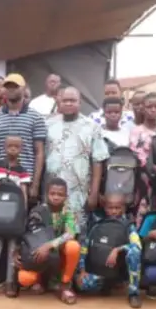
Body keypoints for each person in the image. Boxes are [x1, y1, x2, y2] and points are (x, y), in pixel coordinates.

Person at [43, 86, 107, 232]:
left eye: (73, 100)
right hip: (52, 192)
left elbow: (98, 161)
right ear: (59, 102)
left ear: (80, 102)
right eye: (65, 100)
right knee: (51, 232)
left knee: (75, 237)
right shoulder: (48, 124)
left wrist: (94, 193)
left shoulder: (92, 127)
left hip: (79, 194)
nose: (69, 104)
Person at [18, 177, 81, 303]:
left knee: (73, 246)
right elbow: (29, 235)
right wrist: (18, 252)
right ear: (46, 194)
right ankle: (40, 280)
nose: (56, 197)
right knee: (24, 278)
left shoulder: (68, 212)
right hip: (40, 254)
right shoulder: (38, 211)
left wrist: (49, 245)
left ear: (66, 196)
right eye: (52, 194)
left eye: (60, 194)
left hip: (58, 254)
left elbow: (70, 234)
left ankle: (64, 284)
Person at [75, 193, 143, 309]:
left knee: (134, 253)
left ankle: (133, 293)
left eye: (117, 208)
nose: (114, 211)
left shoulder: (128, 226)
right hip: (100, 270)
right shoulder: (97, 225)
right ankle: (106, 284)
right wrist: (82, 270)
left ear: (124, 208)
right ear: (105, 208)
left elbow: (137, 246)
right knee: (83, 285)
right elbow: (85, 247)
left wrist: (118, 249)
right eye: (110, 208)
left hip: (120, 270)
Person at [0, 74, 47, 201]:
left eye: (15, 86)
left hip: (25, 181)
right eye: (8, 87)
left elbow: (39, 153)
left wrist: (35, 185)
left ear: (24, 89)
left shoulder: (36, 117)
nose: (11, 89)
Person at [0, 136, 32, 298]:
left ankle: (10, 282)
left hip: (14, 215)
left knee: (13, 250)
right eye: (10, 146)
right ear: (4, 147)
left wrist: (23, 213)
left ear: (21, 149)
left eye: (16, 147)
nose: (13, 149)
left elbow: (24, 192)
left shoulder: (23, 171)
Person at [128, 91, 156, 220]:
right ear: (142, 108)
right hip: (142, 183)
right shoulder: (136, 132)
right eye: (149, 107)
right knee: (142, 218)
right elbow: (136, 158)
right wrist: (155, 168)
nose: (153, 110)